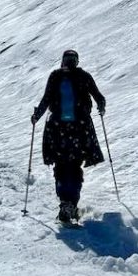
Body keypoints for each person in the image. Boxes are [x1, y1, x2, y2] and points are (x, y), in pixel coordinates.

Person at [32, 50, 106, 223]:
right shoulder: (84, 76)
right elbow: (99, 98)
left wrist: (36, 116)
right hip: (80, 129)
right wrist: (101, 109)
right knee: (74, 166)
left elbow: (46, 100)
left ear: (63, 61)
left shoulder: (55, 76)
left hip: (57, 130)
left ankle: (65, 203)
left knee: (61, 166)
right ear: (76, 61)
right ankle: (71, 204)